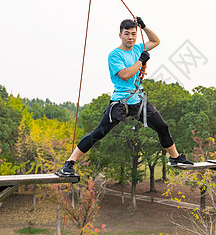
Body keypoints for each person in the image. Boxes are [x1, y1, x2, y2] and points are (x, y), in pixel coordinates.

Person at [58, 17, 193, 176]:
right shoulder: (115, 55)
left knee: (162, 127)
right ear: (120, 35)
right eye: (127, 34)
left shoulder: (137, 48)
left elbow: (156, 41)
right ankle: (68, 164)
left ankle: (174, 158)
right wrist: (141, 61)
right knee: (99, 133)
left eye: (133, 34)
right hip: (121, 102)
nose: (131, 37)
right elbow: (125, 75)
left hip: (139, 101)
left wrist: (144, 27)